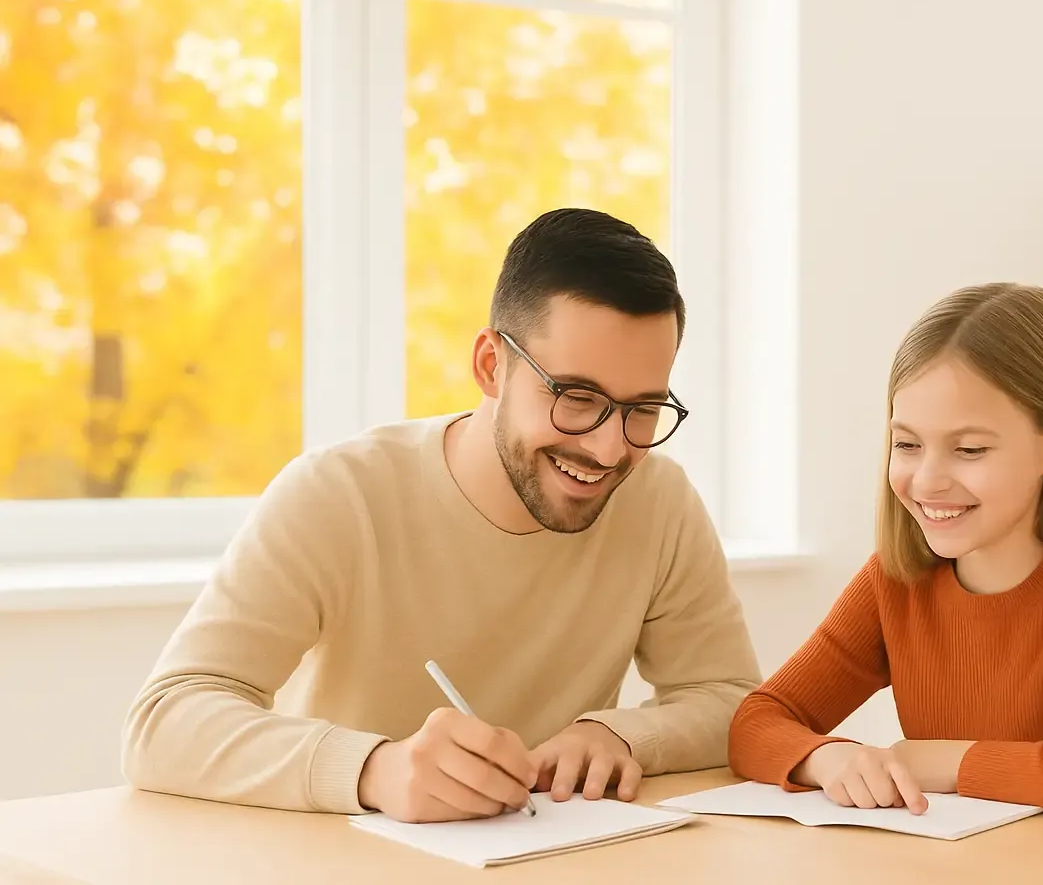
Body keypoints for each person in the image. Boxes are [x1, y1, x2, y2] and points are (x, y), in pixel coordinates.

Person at [123, 208, 762, 823]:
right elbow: (165, 721)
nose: (610, 447)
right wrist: (374, 770)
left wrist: (621, 734)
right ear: (491, 365)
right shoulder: (338, 494)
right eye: (577, 397)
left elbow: (735, 703)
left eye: (643, 408)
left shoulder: (658, 499)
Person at [726, 282, 1043, 829]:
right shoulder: (897, 580)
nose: (928, 479)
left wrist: (950, 760)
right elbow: (756, 723)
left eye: (970, 449)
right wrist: (825, 758)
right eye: (907, 445)